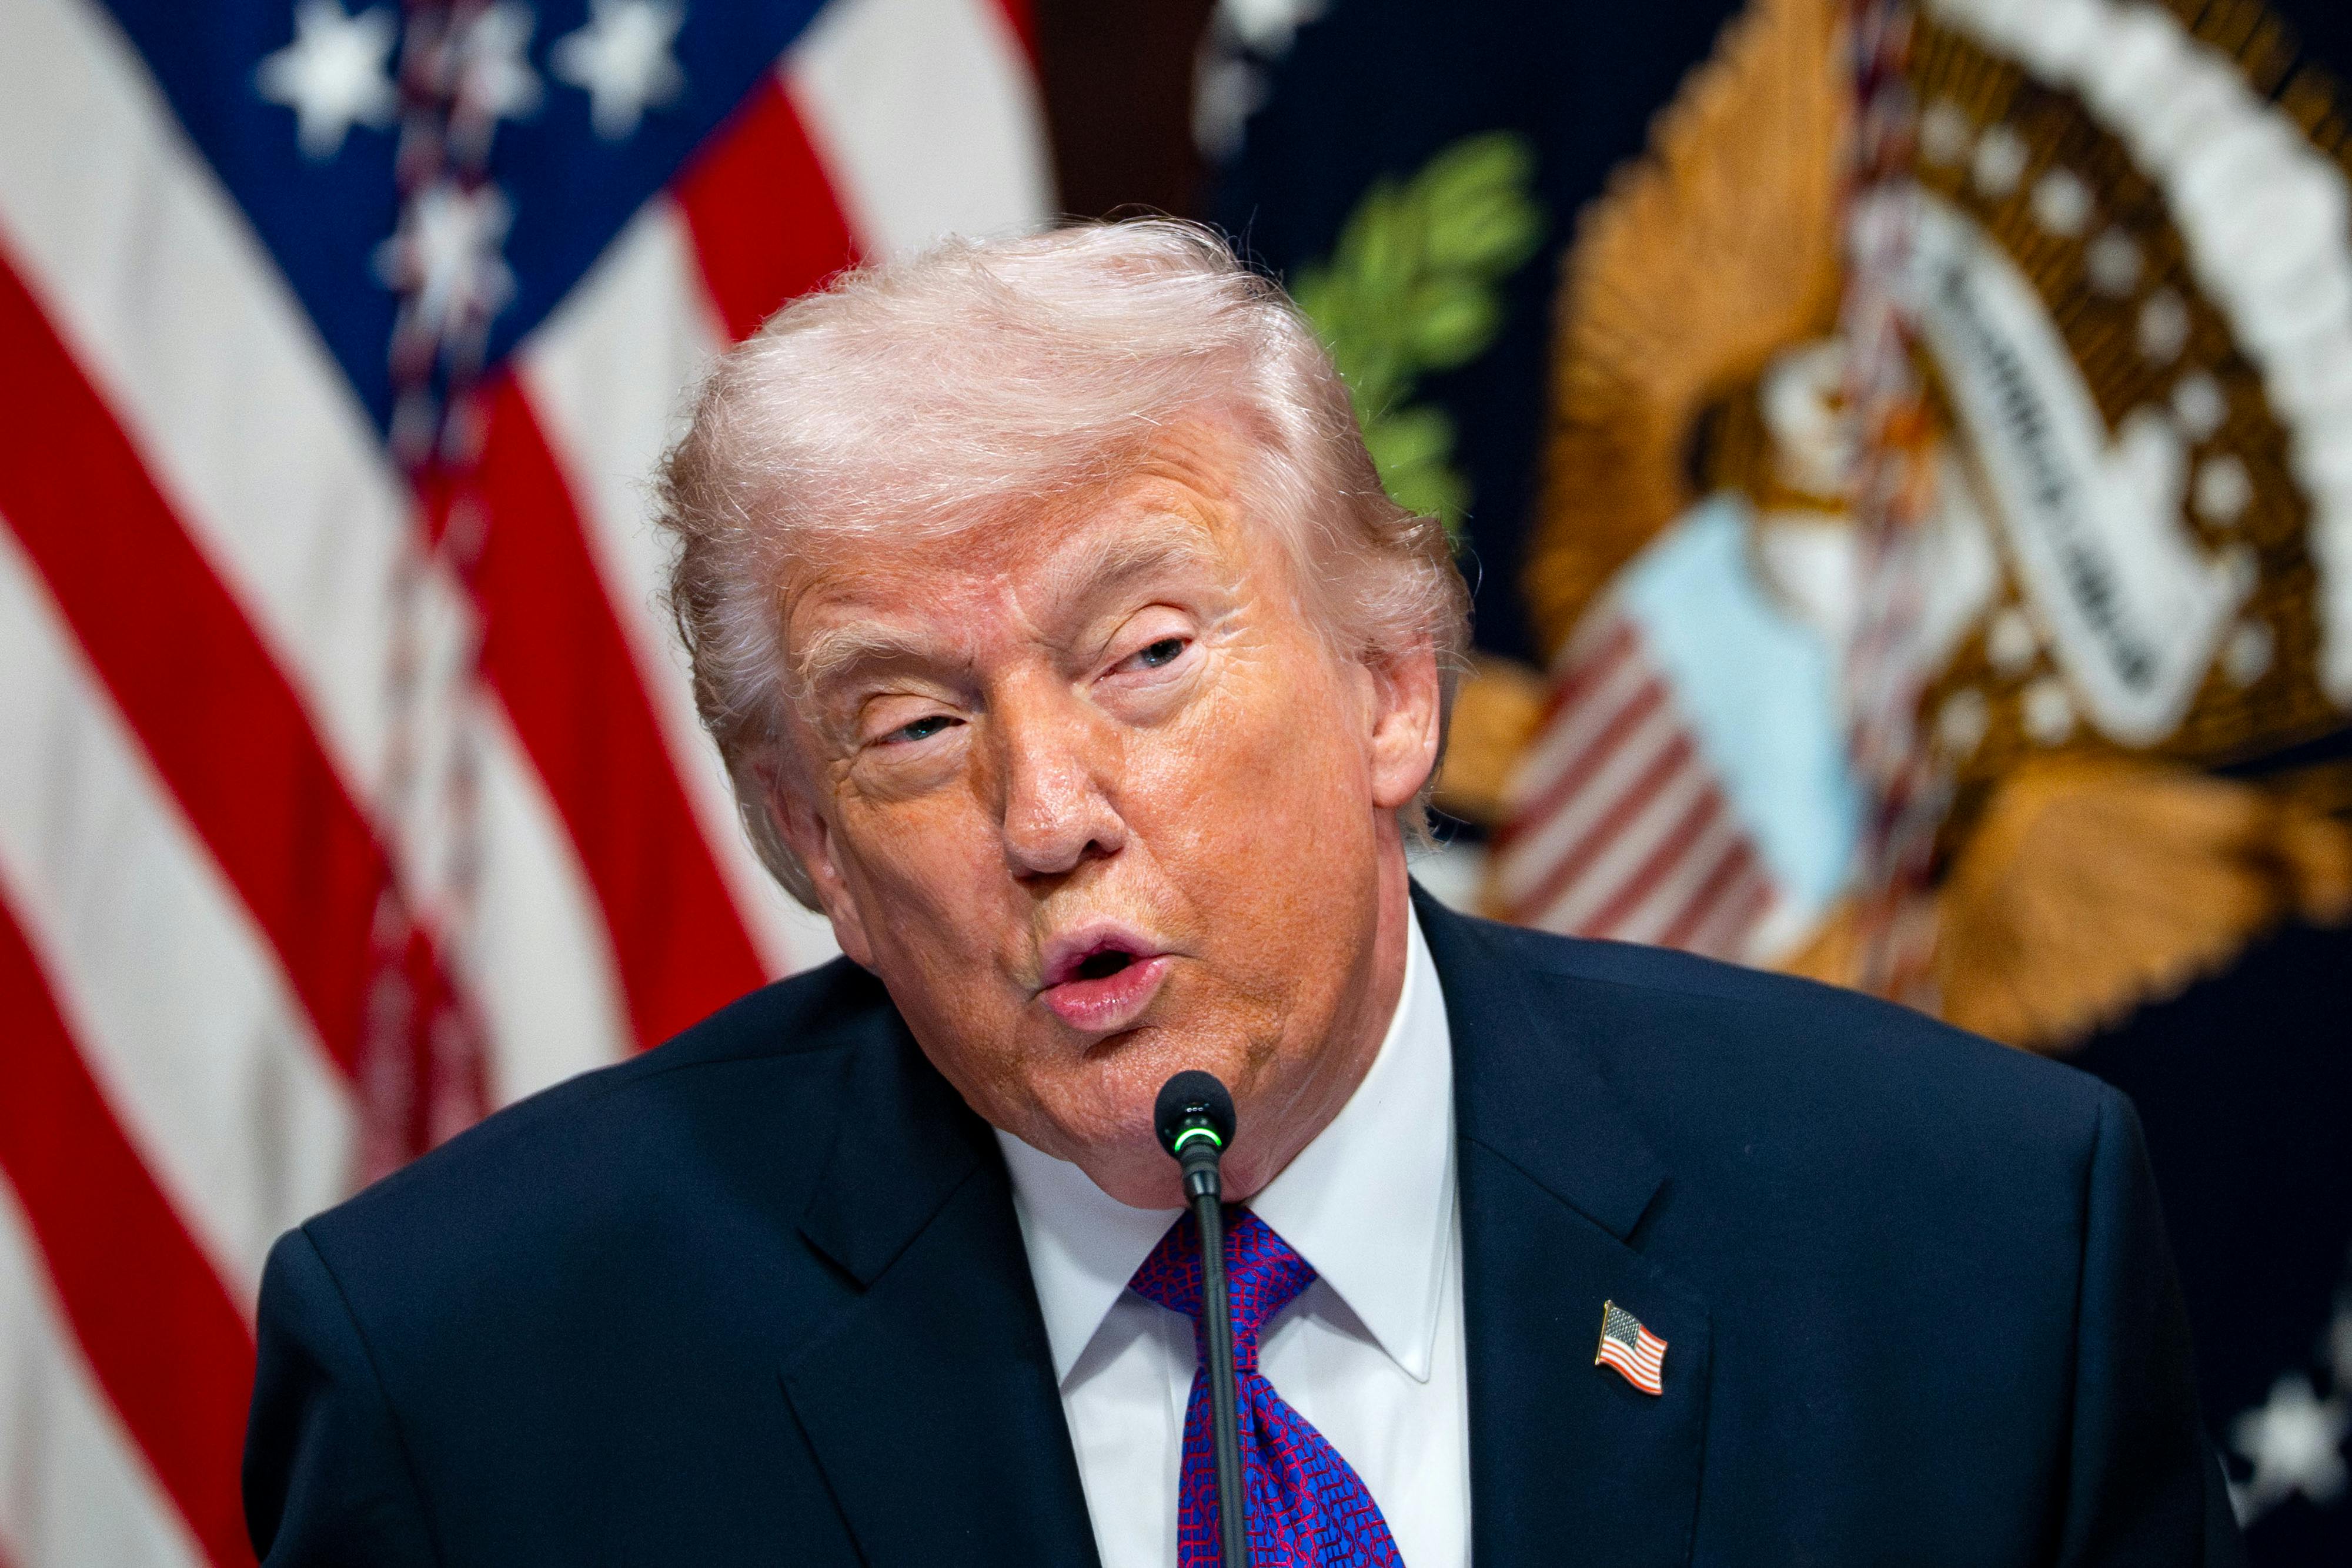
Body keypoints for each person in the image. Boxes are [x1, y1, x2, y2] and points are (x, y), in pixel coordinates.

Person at [242, 220, 2242, 1567]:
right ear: (811, 845)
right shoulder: (478, 1386)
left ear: (1393, 687)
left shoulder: (1967, 1250)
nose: (1048, 810)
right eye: (915, 725)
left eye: (1147, 655)